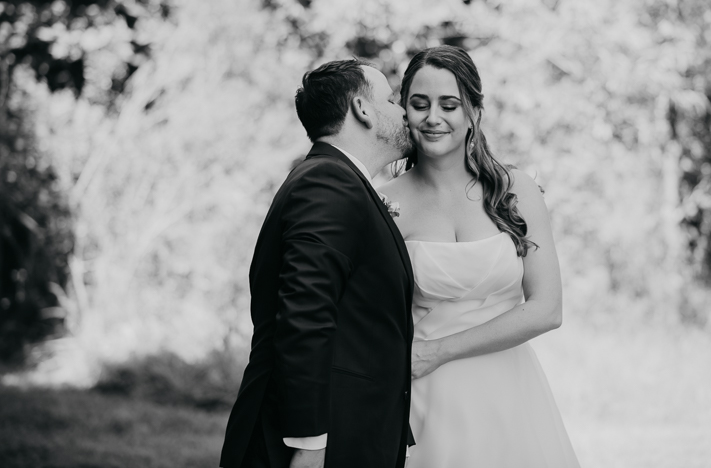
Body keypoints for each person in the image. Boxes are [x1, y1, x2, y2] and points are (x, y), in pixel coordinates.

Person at [378, 46, 581, 467]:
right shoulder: (382, 204)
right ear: (404, 112)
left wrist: (439, 351)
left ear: (473, 111)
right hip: (423, 397)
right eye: (419, 104)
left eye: (449, 104)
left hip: (509, 391)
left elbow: (546, 309)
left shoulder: (517, 191)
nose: (433, 117)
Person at [219, 59, 416, 468]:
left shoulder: (340, 180)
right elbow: (305, 315)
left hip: (352, 431)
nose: (403, 111)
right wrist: (309, 443)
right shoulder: (329, 181)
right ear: (362, 109)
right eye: (393, 100)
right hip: (310, 444)